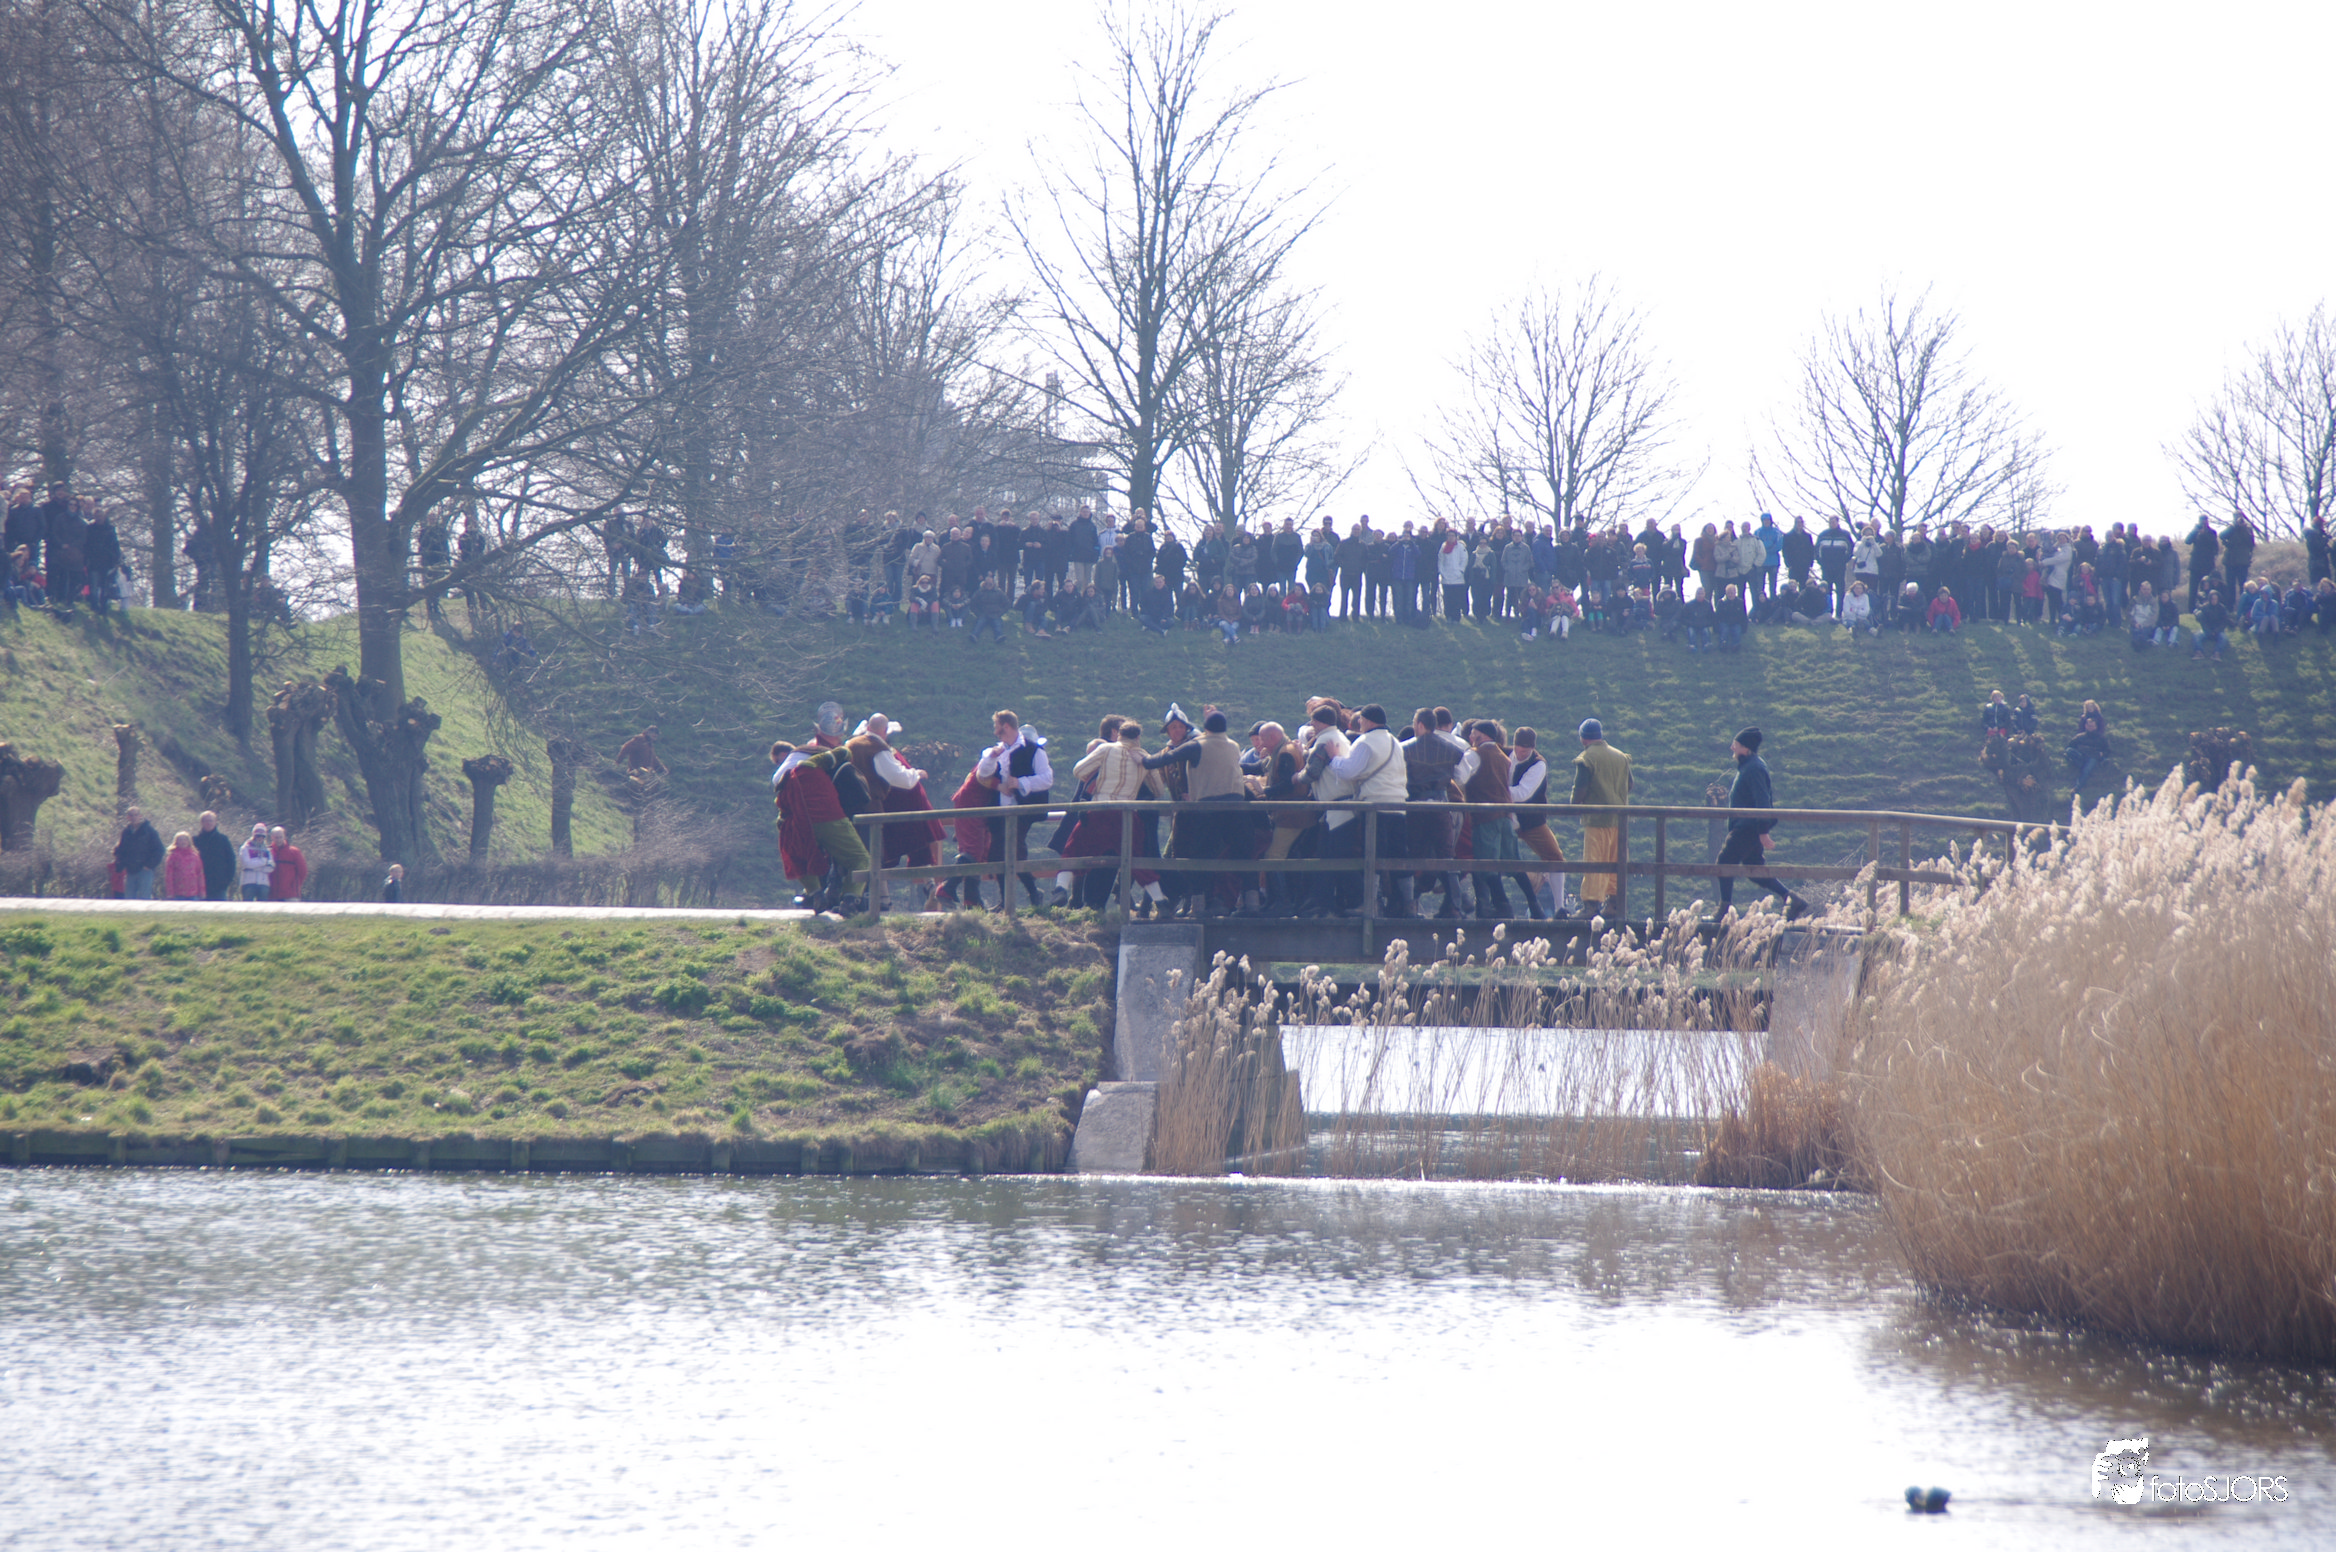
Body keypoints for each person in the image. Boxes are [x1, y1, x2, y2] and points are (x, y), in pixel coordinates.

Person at [1716, 727, 1811, 920]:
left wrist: (1762, 832)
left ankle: (1724, 912)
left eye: (1736, 744)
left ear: (1746, 748)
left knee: (1724, 864)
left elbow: (1762, 800)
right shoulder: (1749, 766)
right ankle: (1791, 899)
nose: (1732, 747)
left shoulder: (1754, 768)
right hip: (1748, 826)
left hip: (1747, 828)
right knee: (1754, 869)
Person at [976, 709, 1052, 909]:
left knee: (1011, 851)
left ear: (1006, 726)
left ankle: (1022, 897)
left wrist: (1020, 783)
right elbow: (982, 773)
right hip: (999, 811)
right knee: (999, 855)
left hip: (1021, 811)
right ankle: (1019, 897)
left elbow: (1047, 779)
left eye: (997, 727)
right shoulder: (994, 751)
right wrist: (991, 757)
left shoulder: (1035, 750)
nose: (995, 731)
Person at [1570, 719, 1631, 915]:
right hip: (1620, 819)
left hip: (1597, 820)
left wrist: (1574, 805)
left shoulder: (1587, 758)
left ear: (1583, 738)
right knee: (1616, 861)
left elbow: (1580, 789)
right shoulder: (1620, 757)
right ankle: (1614, 904)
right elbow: (1629, 784)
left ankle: (1591, 905)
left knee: (1594, 861)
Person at [113, 806, 164, 900]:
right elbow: (121, 849)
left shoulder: (149, 831)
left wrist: (149, 865)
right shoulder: (126, 832)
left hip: (145, 870)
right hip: (130, 870)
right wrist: (121, 863)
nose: (134, 817)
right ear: (128, 817)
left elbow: (160, 849)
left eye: (136, 815)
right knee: (129, 898)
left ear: (140, 816)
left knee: (144, 898)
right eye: (131, 815)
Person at [2066, 701, 2112, 788]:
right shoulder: (2080, 736)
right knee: (2069, 751)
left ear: (2096, 726)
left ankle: (2078, 787)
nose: (2090, 727)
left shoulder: (2101, 738)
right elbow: (2070, 746)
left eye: (2092, 726)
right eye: (2089, 725)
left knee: (2086, 771)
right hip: (2082, 755)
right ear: (2086, 726)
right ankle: (2081, 764)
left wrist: (2102, 754)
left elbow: (2108, 750)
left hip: (2093, 757)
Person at [192, 811, 236, 902]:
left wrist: (227, 880)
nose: (209, 823)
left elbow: (231, 860)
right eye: (206, 821)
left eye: (211, 821)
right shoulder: (195, 840)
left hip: (219, 884)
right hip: (199, 884)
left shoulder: (223, 839)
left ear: (215, 822)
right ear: (201, 823)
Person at [237, 824, 277, 900]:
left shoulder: (268, 850)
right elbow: (247, 864)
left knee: (263, 906)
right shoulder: (246, 848)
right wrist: (263, 862)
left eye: (262, 836)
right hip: (248, 882)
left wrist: (255, 866)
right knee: (247, 905)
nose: (260, 838)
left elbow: (271, 867)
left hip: (263, 883)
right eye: (258, 836)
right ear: (254, 835)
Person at [268, 826, 308, 901]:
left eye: (280, 837)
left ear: (284, 837)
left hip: (291, 894)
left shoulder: (294, 852)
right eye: (276, 837)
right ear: (272, 837)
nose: (278, 840)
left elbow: (303, 871)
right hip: (272, 894)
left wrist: (295, 885)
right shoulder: (268, 852)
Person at [164, 831, 204, 900]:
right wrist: (170, 892)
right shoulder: (172, 856)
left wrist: (202, 891)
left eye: (185, 840)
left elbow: (200, 874)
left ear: (189, 842)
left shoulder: (195, 856)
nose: (183, 842)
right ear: (176, 842)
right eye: (180, 840)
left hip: (193, 892)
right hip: (178, 892)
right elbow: (169, 876)